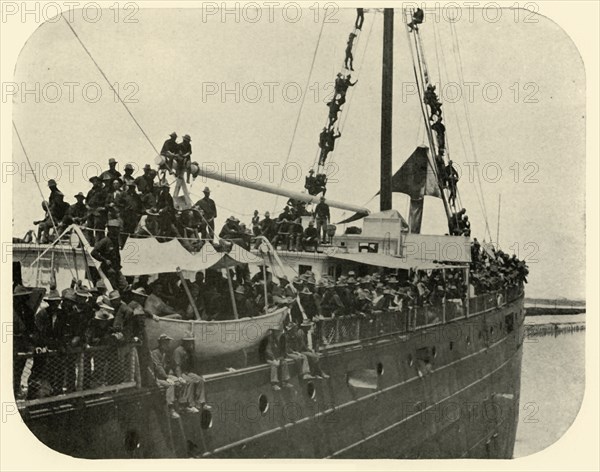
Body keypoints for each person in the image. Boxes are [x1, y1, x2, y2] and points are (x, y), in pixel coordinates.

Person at [172, 333, 211, 413]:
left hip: (187, 372)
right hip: (180, 372)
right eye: (189, 342)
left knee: (200, 380)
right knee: (190, 381)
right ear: (184, 342)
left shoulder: (189, 351)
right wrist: (179, 377)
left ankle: (200, 403)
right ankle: (189, 405)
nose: (190, 343)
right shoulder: (178, 351)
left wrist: (199, 375)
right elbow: (177, 366)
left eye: (191, 342)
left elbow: (193, 364)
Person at [150, 334, 182, 419]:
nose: (168, 344)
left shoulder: (166, 353)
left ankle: (178, 403)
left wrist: (179, 376)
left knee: (179, 382)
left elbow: (173, 365)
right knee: (170, 385)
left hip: (165, 376)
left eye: (168, 342)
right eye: (166, 342)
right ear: (161, 343)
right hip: (156, 378)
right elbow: (158, 367)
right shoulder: (154, 353)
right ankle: (171, 409)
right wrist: (166, 378)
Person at [91, 219, 127, 291]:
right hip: (108, 269)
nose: (117, 231)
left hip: (116, 268)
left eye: (117, 229)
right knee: (112, 287)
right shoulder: (105, 241)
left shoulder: (115, 241)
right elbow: (93, 252)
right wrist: (104, 260)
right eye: (115, 229)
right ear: (110, 229)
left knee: (124, 285)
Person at [85, 176, 107, 244]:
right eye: (93, 182)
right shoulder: (90, 192)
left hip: (98, 213)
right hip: (90, 212)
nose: (95, 183)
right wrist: (87, 206)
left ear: (100, 182)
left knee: (98, 228)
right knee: (89, 228)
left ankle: (99, 244)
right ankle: (90, 243)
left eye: (96, 181)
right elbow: (86, 201)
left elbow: (106, 202)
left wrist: (101, 208)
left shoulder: (103, 191)